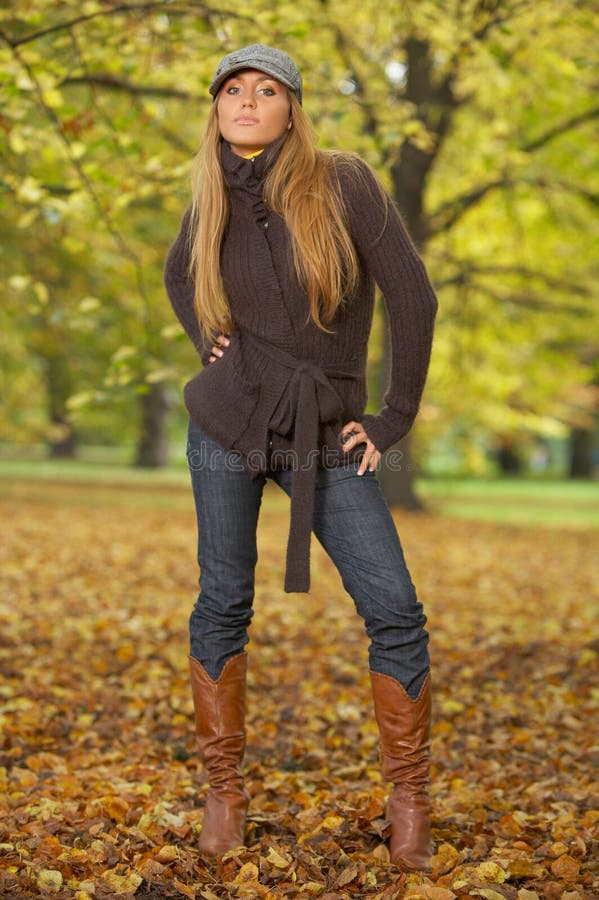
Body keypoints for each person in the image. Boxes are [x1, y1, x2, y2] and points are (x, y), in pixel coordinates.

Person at [164, 43, 438, 871]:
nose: (246, 102)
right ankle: (223, 791)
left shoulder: (343, 181)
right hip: (225, 425)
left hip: (323, 432)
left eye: (266, 90)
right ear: (217, 109)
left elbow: (413, 295)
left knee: (393, 608)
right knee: (222, 601)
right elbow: (179, 276)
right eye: (232, 91)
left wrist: (391, 418)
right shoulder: (209, 192)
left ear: (291, 107)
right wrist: (210, 344)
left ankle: (408, 796)